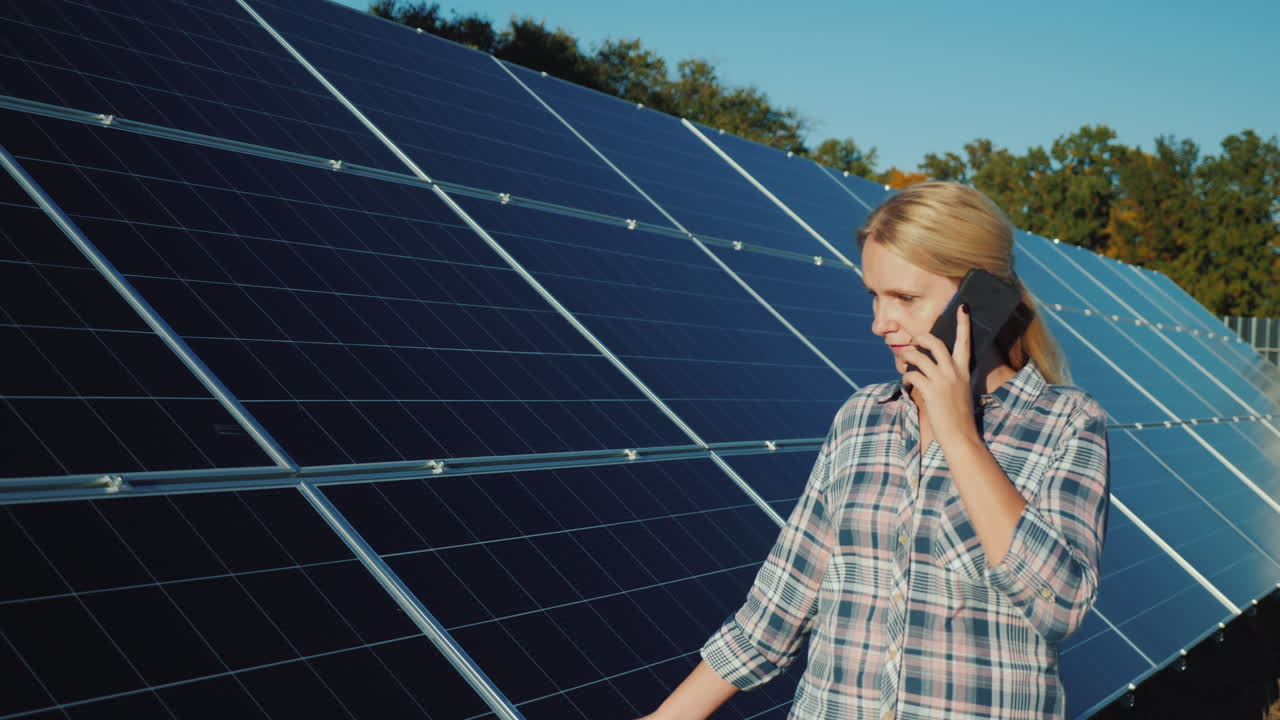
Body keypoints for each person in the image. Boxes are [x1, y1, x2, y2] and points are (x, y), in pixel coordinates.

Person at [638, 181, 1111, 720]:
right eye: (874, 296)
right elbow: (778, 608)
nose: (879, 323)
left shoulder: (1065, 422)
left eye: (905, 298)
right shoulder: (863, 419)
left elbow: (1060, 604)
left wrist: (959, 435)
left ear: (981, 299)